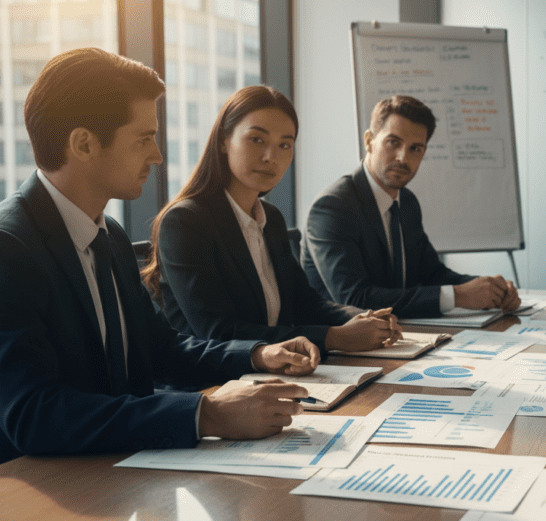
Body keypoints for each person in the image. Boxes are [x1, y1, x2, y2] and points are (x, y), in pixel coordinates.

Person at [0, 48, 322, 464]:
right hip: (48, 488)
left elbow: (160, 348)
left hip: (122, 473)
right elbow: (33, 414)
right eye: (144, 138)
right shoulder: (10, 247)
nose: (156, 155)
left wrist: (258, 354)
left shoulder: (109, 235)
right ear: (83, 144)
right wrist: (205, 414)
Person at [142, 86, 400, 353]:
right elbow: (218, 332)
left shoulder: (271, 218)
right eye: (256, 139)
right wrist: (334, 337)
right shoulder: (186, 222)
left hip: (276, 373)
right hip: (214, 385)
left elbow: (305, 303)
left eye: (284, 145)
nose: (270, 157)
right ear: (223, 140)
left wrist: (362, 318)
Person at [302, 95, 520, 318]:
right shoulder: (333, 207)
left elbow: (432, 274)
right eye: (393, 142)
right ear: (369, 141)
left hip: (402, 335)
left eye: (415, 148)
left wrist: (490, 289)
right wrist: (458, 296)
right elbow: (355, 299)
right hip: (341, 344)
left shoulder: (406, 202)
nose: (402, 158)